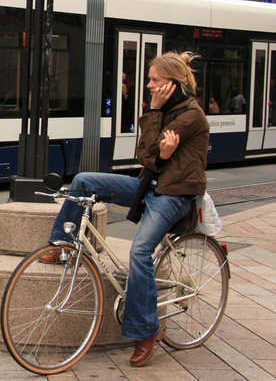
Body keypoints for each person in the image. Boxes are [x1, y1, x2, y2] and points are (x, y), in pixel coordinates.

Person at [42, 51, 209, 367]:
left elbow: (152, 159)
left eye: (154, 80)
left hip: (174, 196)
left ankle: (146, 332)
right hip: (150, 187)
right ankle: (62, 244)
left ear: (170, 84)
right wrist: (158, 130)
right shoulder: (164, 109)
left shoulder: (191, 115)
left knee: (140, 253)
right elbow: (146, 156)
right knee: (83, 180)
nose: (148, 85)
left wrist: (157, 123)